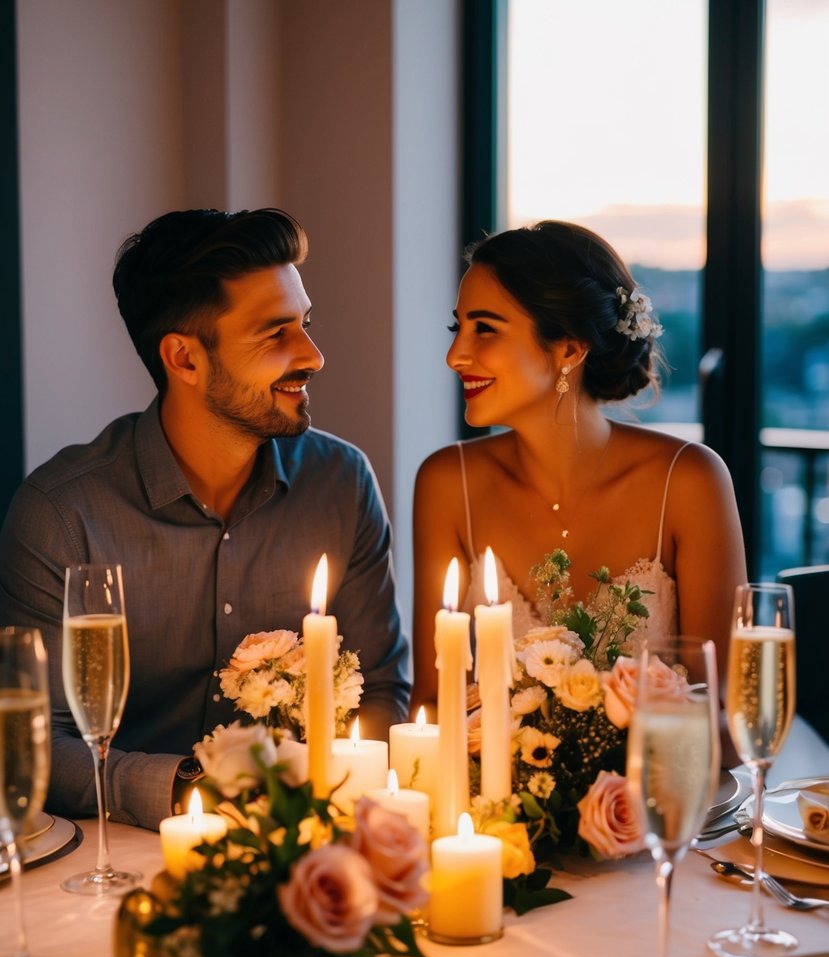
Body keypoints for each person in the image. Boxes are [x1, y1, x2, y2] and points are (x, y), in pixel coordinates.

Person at [0, 208, 409, 830]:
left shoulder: (341, 483)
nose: (313, 355)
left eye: (305, 324)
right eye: (275, 334)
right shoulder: (62, 515)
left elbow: (381, 692)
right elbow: (35, 747)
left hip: (305, 838)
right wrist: (194, 786)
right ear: (184, 359)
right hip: (119, 854)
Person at [412, 219, 746, 716]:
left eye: (485, 328)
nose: (455, 355)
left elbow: (725, 717)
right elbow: (433, 705)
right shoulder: (445, 483)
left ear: (569, 347)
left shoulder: (690, 480)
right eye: (457, 327)